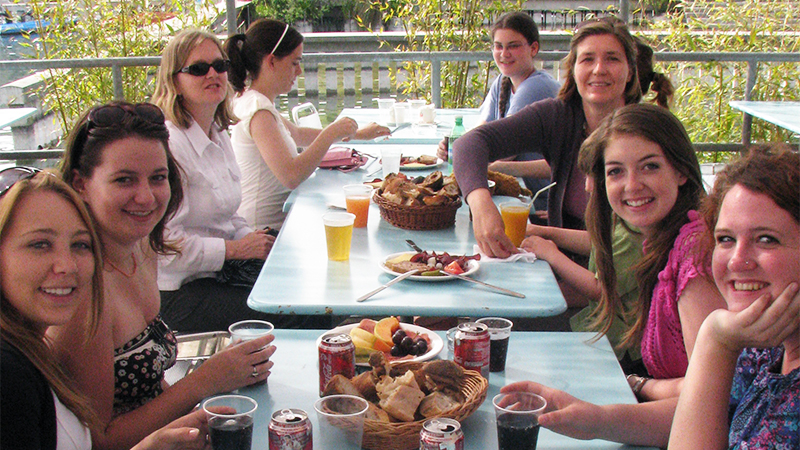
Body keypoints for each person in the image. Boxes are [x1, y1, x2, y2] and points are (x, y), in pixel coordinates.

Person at [495, 103, 727, 448]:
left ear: (680, 170)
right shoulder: (659, 237)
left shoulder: (693, 258)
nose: (632, 185)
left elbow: (713, 400)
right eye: (616, 171)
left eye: (649, 166)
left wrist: (624, 396)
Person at [51, 102, 276, 450]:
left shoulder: (142, 248)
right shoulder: (81, 295)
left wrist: (198, 412)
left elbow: (149, 386)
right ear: (81, 184)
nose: (146, 197)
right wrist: (205, 380)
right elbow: (99, 440)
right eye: (124, 179)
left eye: (158, 178)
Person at [0, 170, 211, 450]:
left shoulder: (29, 351)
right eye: (40, 244)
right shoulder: (9, 376)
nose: (67, 265)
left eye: (80, 245)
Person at [454, 17, 674, 259]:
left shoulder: (651, 131)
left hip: (625, 279)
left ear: (630, 71)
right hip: (564, 268)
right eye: (588, 59)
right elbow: (470, 144)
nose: (599, 69)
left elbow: (635, 244)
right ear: (572, 68)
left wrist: (546, 235)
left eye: (612, 58)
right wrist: (482, 206)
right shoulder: (558, 116)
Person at [151, 29, 320, 332]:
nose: (212, 74)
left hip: (220, 274)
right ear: (175, 80)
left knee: (312, 282)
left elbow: (229, 218)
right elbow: (165, 246)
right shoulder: (169, 147)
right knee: (299, 311)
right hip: (180, 293)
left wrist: (259, 240)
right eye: (198, 69)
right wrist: (236, 250)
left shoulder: (217, 134)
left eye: (220, 66)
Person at [669, 145, 800, 449]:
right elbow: (700, 412)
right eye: (726, 239)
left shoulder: (734, 339)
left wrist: (714, 338)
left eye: (766, 239)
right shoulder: (764, 347)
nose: (736, 261)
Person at [224, 18, 388, 230]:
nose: (299, 71)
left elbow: (298, 134)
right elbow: (291, 176)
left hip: (279, 224)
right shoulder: (258, 111)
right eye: (294, 63)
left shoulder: (255, 101)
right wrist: (330, 133)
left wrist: (359, 134)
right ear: (271, 61)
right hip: (264, 234)